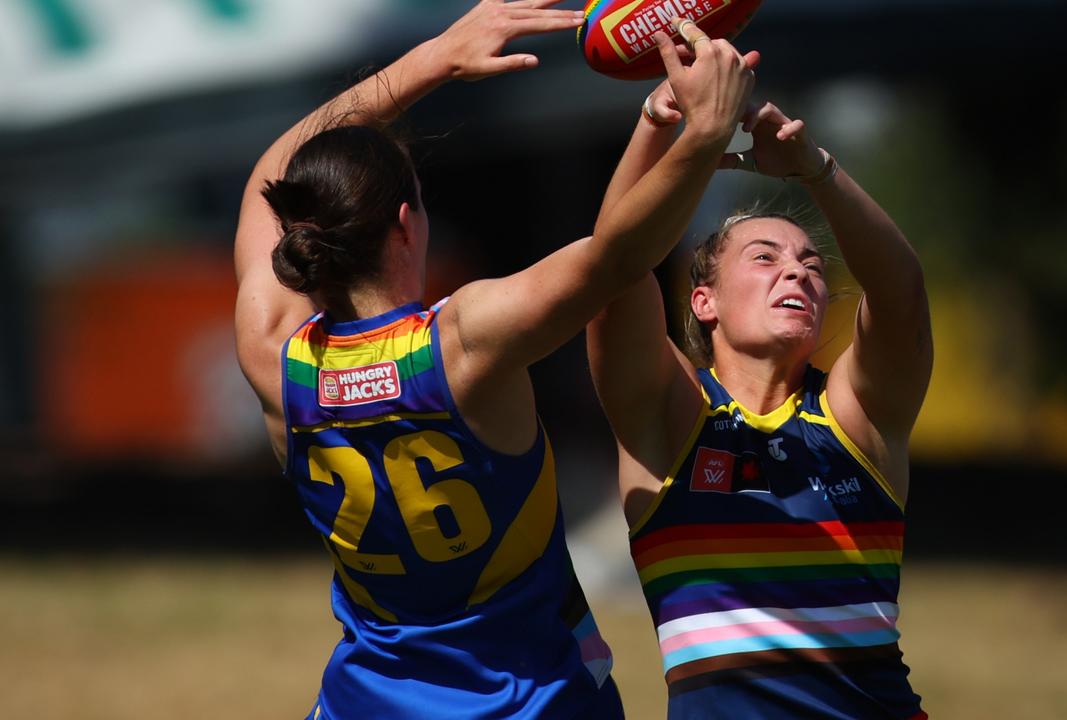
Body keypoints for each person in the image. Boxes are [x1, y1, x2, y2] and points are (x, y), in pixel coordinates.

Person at [232, 3, 758, 718]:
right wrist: (702, 133)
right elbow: (619, 257)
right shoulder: (464, 341)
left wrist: (434, 58)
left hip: (366, 703)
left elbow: (274, 168)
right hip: (531, 701)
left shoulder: (274, 358)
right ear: (407, 224)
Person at [587, 19, 933, 719]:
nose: (798, 273)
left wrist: (817, 169)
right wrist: (658, 129)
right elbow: (612, 272)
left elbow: (899, 294)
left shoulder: (853, 416)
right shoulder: (670, 420)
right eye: (766, 257)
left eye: (811, 264)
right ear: (703, 299)